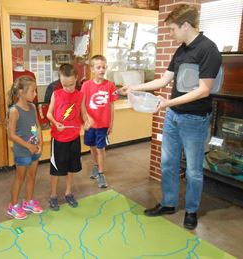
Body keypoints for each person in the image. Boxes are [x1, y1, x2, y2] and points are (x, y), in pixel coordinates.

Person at [119, 4, 222, 230]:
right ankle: (168, 203)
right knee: (168, 163)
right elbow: (163, 81)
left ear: (185, 26)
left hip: (195, 119)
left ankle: (192, 211)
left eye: (172, 29)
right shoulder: (181, 50)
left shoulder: (208, 50)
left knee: (194, 170)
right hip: (173, 116)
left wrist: (167, 103)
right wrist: (135, 87)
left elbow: (204, 90)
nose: (170, 34)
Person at [46, 64, 90, 211]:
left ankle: (68, 192)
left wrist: (87, 121)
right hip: (58, 139)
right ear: (60, 80)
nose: (68, 88)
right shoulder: (56, 94)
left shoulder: (80, 96)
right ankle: (53, 195)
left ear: (76, 79)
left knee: (71, 167)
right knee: (56, 169)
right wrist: (55, 123)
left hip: (74, 138)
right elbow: (49, 114)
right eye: (65, 85)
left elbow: (83, 114)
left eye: (71, 84)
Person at [6, 76, 43, 219]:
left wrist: (39, 143)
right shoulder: (14, 111)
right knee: (20, 178)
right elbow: (11, 135)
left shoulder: (33, 107)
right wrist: (28, 146)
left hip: (34, 149)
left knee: (32, 176)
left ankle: (27, 201)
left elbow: (38, 126)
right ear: (21, 92)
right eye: (33, 91)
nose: (35, 94)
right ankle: (13, 205)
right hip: (23, 151)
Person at [81, 55, 118, 188]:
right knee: (92, 146)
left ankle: (101, 174)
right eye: (98, 67)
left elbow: (112, 106)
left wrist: (111, 123)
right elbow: (82, 105)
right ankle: (96, 166)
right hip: (91, 125)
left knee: (101, 149)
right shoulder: (86, 85)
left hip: (103, 125)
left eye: (104, 67)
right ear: (92, 69)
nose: (102, 70)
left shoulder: (110, 85)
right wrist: (85, 120)